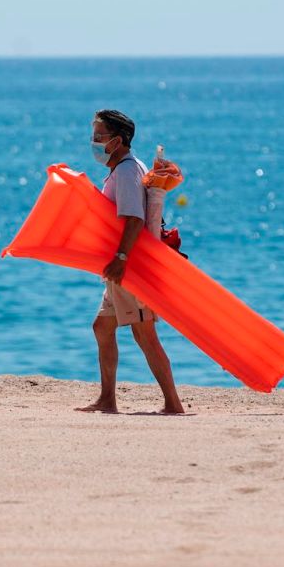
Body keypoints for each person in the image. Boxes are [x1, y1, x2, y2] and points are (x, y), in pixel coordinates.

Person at [75, 110, 184, 415]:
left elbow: (133, 218)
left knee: (144, 334)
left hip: (130, 266)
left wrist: (122, 259)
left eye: (99, 137)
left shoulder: (125, 172)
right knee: (102, 327)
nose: (94, 142)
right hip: (119, 266)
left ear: (118, 140)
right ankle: (107, 399)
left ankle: (173, 404)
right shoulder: (125, 167)